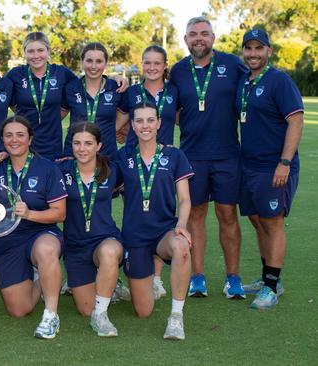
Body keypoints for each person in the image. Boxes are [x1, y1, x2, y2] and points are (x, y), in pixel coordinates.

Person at [169, 16, 248, 298]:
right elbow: (172, 109)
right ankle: (198, 277)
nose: (198, 38)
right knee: (196, 215)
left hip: (227, 155)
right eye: (193, 34)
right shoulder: (178, 71)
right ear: (186, 39)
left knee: (227, 214)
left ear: (213, 37)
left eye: (204, 33)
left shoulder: (232, 65)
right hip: (192, 157)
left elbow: (252, 88)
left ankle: (233, 278)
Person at [114, 102, 193, 340]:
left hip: (163, 233)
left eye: (150, 120)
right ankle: (137, 277)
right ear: (132, 126)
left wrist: (181, 225)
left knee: (181, 246)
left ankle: (176, 318)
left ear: (159, 123)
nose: (145, 125)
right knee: (143, 311)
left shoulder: (174, 155)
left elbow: (185, 199)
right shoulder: (123, 156)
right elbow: (102, 181)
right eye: (139, 121)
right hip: (135, 237)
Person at [236, 29, 303, 309]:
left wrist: (284, 163)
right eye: (248, 48)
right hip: (248, 165)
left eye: (258, 48)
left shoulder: (279, 81)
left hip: (273, 166)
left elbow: (296, 120)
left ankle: (272, 287)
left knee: (273, 222)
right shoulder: (245, 81)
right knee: (257, 219)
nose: (253, 54)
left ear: (269, 51)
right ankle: (268, 278)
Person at [0, 115, 68, 339]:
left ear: (30, 139)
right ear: (2, 140)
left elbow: (60, 213)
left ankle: (51, 314)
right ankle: (43, 277)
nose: (15, 140)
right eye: (9, 135)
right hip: (9, 238)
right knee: (18, 310)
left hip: (41, 232)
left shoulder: (47, 168)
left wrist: (30, 213)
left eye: (20, 135)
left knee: (46, 250)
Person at [117, 45, 180, 300]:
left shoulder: (174, 92)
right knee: (137, 214)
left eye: (157, 63)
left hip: (162, 163)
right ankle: (134, 267)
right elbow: (119, 124)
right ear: (141, 65)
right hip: (134, 162)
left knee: (160, 215)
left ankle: (156, 279)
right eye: (147, 63)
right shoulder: (131, 92)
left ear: (165, 65)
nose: (152, 67)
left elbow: (181, 120)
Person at [60, 122, 123, 337]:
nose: (82, 148)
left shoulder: (112, 169)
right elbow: (31, 164)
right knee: (86, 309)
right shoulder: (60, 170)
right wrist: (3, 154)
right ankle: (108, 283)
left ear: (99, 145)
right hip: (76, 246)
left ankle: (102, 315)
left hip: (105, 239)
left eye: (88, 143)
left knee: (110, 252)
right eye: (77, 143)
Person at [4, 32, 77, 160]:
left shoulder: (61, 73)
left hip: (53, 145)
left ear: (48, 51)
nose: (36, 56)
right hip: (22, 144)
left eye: (40, 50)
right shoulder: (15, 74)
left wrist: (115, 80)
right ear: (24, 53)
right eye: (31, 51)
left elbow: (87, 85)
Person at [63, 42, 124, 157]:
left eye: (99, 61)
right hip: (75, 155)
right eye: (89, 61)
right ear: (82, 62)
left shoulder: (116, 88)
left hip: (106, 156)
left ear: (106, 63)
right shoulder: (70, 88)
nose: (94, 66)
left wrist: (113, 129)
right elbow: (57, 115)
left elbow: (126, 112)